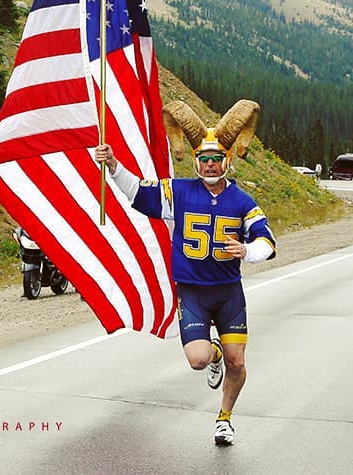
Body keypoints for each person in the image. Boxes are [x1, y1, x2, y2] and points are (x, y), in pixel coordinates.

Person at [95, 99, 276, 447]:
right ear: (195, 161)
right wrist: (114, 164)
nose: (209, 165)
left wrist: (247, 251)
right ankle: (215, 354)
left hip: (228, 292)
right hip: (192, 291)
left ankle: (224, 418)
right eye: (204, 159)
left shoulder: (242, 201)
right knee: (197, 360)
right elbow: (138, 191)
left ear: (228, 159)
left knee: (238, 363)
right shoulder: (177, 192)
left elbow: (267, 241)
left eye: (216, 159)